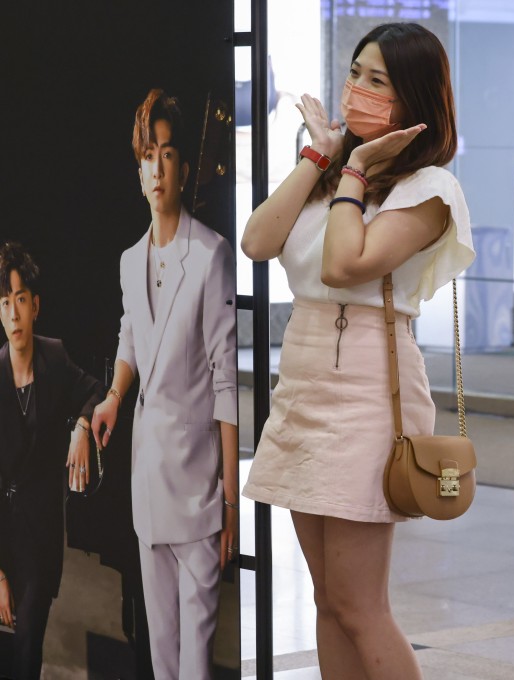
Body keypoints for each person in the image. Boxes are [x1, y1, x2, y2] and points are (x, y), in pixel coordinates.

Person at [241, 22, 473, 679]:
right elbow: (257, 241)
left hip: (369, 388)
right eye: (354, 73)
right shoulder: (330, 172)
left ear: (414, 99)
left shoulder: (428, 188)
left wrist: (356, 169)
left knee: (358, 603)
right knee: (326, 599)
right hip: (304, 379)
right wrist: (320, 157)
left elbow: (345, 264)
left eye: (378, 80)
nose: (357, 89)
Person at [90, 89, 239, 680]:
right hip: (147, 484)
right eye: (148, 155)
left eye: (168, 153)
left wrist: (231, 501)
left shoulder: (211, 256)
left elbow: (225, 381)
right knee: (161, 660)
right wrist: (113, 397)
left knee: (196, 666)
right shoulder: (130, 261)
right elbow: (131, 338)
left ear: (184, 167)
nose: (157, 168)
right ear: (139, 170)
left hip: (199, 491)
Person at [0, 242, 105, 679]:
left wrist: (81, 425)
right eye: (4, 303)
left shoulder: (55, 357)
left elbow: (96, 391)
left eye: (21, 299)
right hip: (3, 534)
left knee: (28, 643)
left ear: (36, 306)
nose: (14, 314)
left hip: (41, 537)